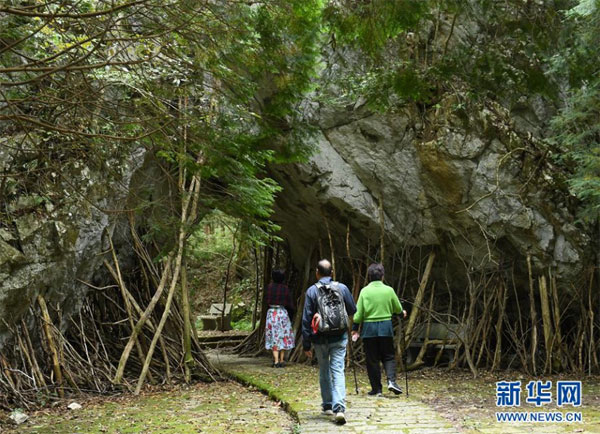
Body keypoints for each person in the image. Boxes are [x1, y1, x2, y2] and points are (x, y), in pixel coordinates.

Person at [302, 259, 356, 425]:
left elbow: (306, 319)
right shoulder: (342, 288)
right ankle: (339, 408)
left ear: (317, 273)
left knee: (324, 369)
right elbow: (352, 309)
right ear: (332, 273)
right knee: (338, 370)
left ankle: (327, 405)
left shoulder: (312, 291)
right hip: (339, 336)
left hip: (319, 339)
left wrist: (306, 343)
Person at [351, 263, 407, 396]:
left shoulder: (365, 291)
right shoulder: (389, 290)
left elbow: (358, 314)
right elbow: (397, 308)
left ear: (369, 277)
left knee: (372, 359)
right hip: (385, 327)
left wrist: (355, 328)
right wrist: (402, 313)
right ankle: (391, 381)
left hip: (369, 329)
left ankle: (377, 389)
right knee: (388, 356)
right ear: (382, 276)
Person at [264, 269, 295, 368]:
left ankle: (276, 361)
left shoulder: (269, 287)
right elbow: (289, 303)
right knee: (283, 335)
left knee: (274, 336)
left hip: (272, 313)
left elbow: (266, 301)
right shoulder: (285, 288)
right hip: (282, 313)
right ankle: (281, 360)